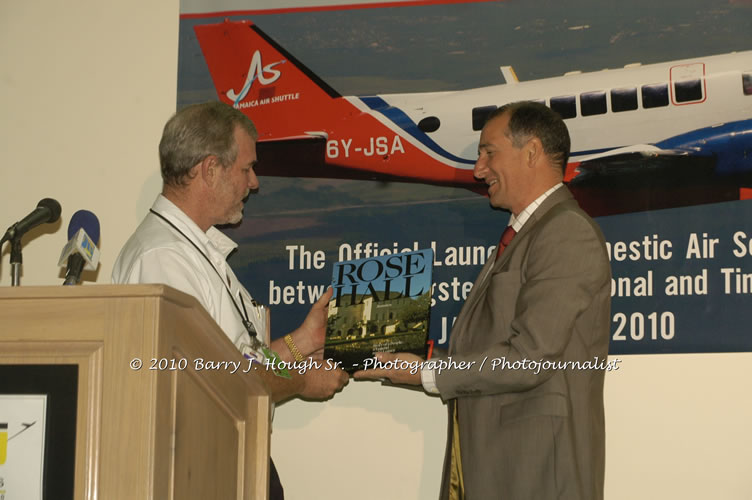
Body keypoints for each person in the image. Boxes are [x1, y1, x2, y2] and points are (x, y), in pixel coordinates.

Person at [356, 101, 612, 500]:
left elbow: (531, 357)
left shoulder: (564, 232)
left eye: (488, 152)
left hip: (537, 471)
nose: (478, 170)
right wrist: (414, 363)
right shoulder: (526, 235)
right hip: (500, 466)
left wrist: (428, 375)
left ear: (531, 153)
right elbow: (492, 353)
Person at [112, 101, 349, 499]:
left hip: (221, 462)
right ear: (209, 169)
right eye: (246, 169)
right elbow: (214, 380)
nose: (254, 183)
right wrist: (304, 380)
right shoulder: (164, 259)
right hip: (197, 471)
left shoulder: (195, 252)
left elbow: (240, 362)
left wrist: (301, 342)